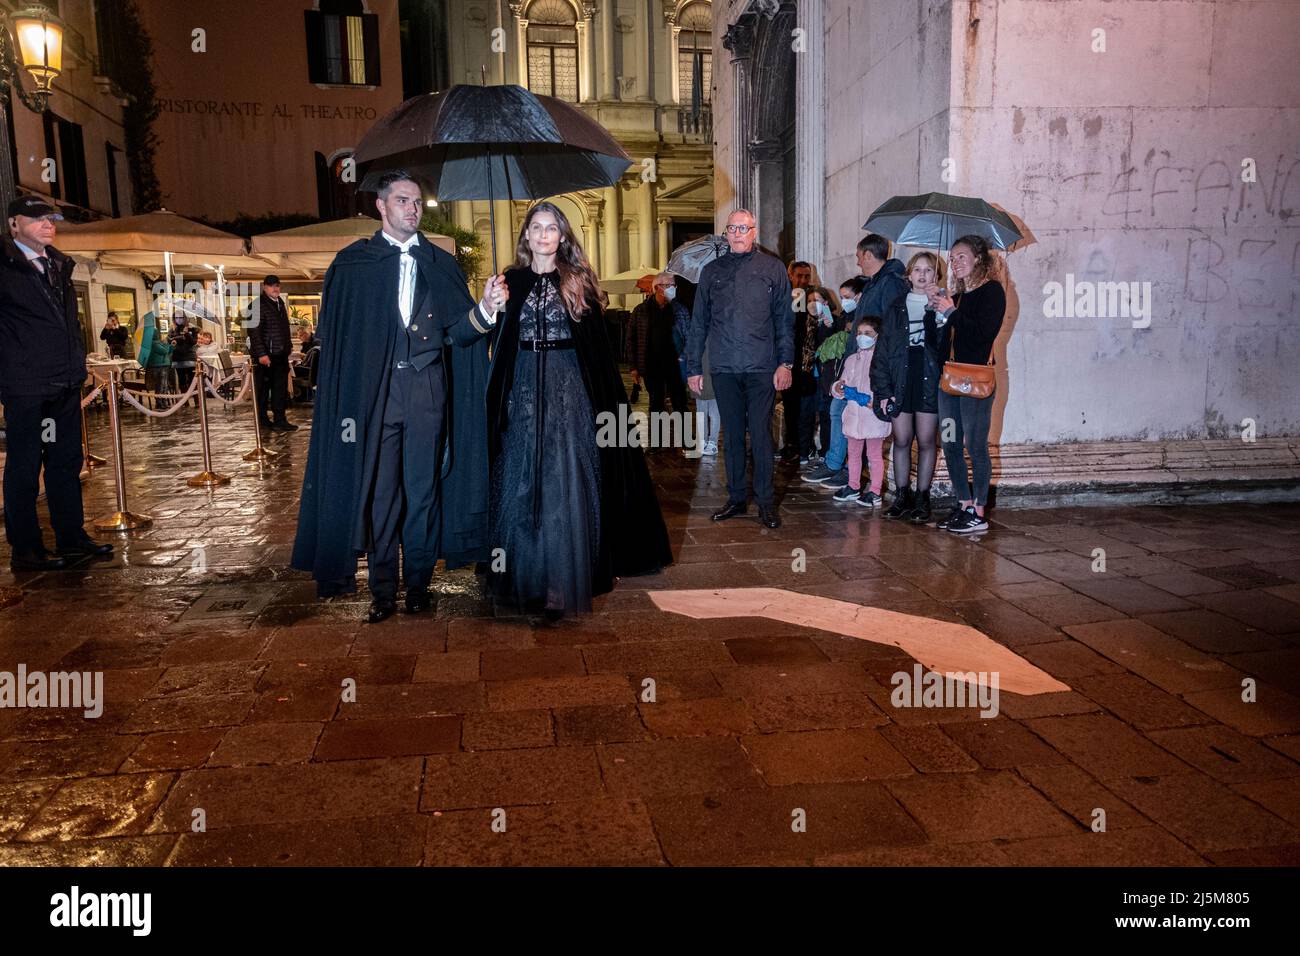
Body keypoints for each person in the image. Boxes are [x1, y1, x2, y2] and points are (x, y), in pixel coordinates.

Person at [291, 170, 507, 622]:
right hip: (376, 396)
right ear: (381, 206)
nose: (412, 208)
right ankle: (383, 590)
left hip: (428, 391)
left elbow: (459, 334)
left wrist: (486, 307)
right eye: (403, 200)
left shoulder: (441, 262)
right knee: (382, 494)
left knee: (423, 492)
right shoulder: (353, 264)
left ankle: (419, 586)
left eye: (417, 202)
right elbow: (338, 344)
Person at [486, 202, 672, 618]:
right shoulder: (508, 281)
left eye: (552, 228)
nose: (544, 235)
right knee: (522, 477)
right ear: (526, 235)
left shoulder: (577, 280)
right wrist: (493, 305)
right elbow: (499, 341)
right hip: (524, 388)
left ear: (562, 236)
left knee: (563, 477)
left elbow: (595, 348)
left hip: (569, 387)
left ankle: (561, 579)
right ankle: (525, 573)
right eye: (536, 227)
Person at [0, 194, 113, 570]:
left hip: (63, 383)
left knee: (65, 462)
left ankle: (71, 537)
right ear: (14, 224)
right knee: (25, 466)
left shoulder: (59, 266)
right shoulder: (5, 266)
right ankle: (27, 549)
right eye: (37, 219)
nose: (48, 224)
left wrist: (76, 363)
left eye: (51, 218)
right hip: (27, 386)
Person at [686, 209, 794, 529]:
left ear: (754, 232)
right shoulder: (712, 272)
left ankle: (764, 502)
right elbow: (698, 323)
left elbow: (784, 322)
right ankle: (735, 498)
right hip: (724, 366)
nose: (737, 233)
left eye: (743, 228)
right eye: (732, 228)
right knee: (731, 435)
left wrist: (785, 363)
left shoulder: (772, 269)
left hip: (762, 366)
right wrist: (693, 366)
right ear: (726, 233)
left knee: (760, 434)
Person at [930, 235, 1005, 534]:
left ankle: (978, 510)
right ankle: (962, 503)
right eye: (952, 257)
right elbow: (943, 343)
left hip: (975, 383)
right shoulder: (956, 297)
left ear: (978, 259)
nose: (955, 262)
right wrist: (935, 316)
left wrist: (951, 313)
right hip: (949, 383)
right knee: (949, 442)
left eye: (961, 256)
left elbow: (981, 335)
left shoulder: (992, 292)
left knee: (975, 445)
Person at [871, 251, 947, 522]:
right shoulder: (896, 305)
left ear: (936, 275)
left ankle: (922, 498)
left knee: (927, 441)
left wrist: (939, 312)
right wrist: (882, 389)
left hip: (928, 377)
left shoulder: (942, 303)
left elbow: (945, 347)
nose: (923, 274)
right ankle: (902, 495)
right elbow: (883, 349)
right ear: (909, 274)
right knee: (902, 439)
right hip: (900, 377)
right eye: (918, 269)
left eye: (929, 270)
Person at [830, 314, 891, 506]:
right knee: (853, 453)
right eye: (859, 333)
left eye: (867, 333)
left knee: (874, 455)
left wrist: (876, 401)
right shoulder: (851, 360)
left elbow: (886, 388)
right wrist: (838, 388)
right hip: (853, 415)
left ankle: (875, 491)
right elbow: (843, 382)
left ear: (877, 336)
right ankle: (853, 486)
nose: (861, 336)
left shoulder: (883, 360)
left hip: (873, 417)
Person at [628, 272, 689, 418]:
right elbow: (631, 340)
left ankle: (686, 438)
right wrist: (633, 367)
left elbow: (689, 336)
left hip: (675, 363)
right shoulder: (640, 311)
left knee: (680, 402)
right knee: (656, 404)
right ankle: (658, 438)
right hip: (651, 364)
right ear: (657, 288)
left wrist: (687, 357)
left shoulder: (679, 309)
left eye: (673, 285)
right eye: (668, 286)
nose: (672, 289)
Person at [248, 274, 296, 432]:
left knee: (280, 389)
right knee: (262, 390)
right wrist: (262, 354)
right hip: (265, 355)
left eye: (277, 285)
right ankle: (262, 420)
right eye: (271, 285)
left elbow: (284, 328)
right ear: (264, 287)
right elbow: (254, 333)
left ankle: (280, 419)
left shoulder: (280, 303)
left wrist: (288, 347)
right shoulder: (256, 305)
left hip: (280, 354)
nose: (275, 288)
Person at [780, 259, 815, 463]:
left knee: (806, 407)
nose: (803, 280)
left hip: (807, 362)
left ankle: (804, 444)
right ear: (790, 275)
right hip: (789, 360)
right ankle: (792, 443)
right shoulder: (787, 295)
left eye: (806, 276)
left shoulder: (813, 295)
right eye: (799, 276)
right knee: (790, 404)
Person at [136, 313, 173, 397]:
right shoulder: (154, 343)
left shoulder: (156, 342)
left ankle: (162, 401)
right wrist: (167, 345)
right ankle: (160, 402)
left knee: (162, 385)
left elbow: (168, 351)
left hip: (162, 365)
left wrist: (171, 346)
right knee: (161, 386)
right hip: (160, 366)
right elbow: (164, 351)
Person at [168, 314, 199, 402]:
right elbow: (170, 341)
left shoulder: (192, 328)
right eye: (176, 318)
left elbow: (193, 342)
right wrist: (173, 340)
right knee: (182, 381)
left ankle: (197, 401)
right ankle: (185, 402)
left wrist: (187, 334)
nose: (178, 319)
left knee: (193, 380)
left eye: (180, 317)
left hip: (189, 358)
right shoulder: (172, 330)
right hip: (178, 358)